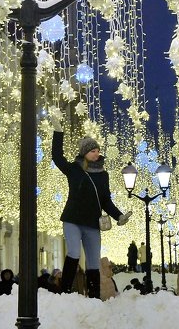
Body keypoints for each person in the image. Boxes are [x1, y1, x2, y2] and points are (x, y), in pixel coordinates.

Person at [51, 124, 131, 298]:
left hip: (92, 223)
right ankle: (64, 293)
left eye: (97, 150)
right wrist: (58, 133)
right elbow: (57, 157)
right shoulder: (74, 169)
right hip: (73, 219)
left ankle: (94, 298)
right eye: (92, 151)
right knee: (73, 252)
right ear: (84, 153)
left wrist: (119, 215)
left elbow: (105, 200)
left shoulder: (104, 174)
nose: (96, 153)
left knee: (94, 260)